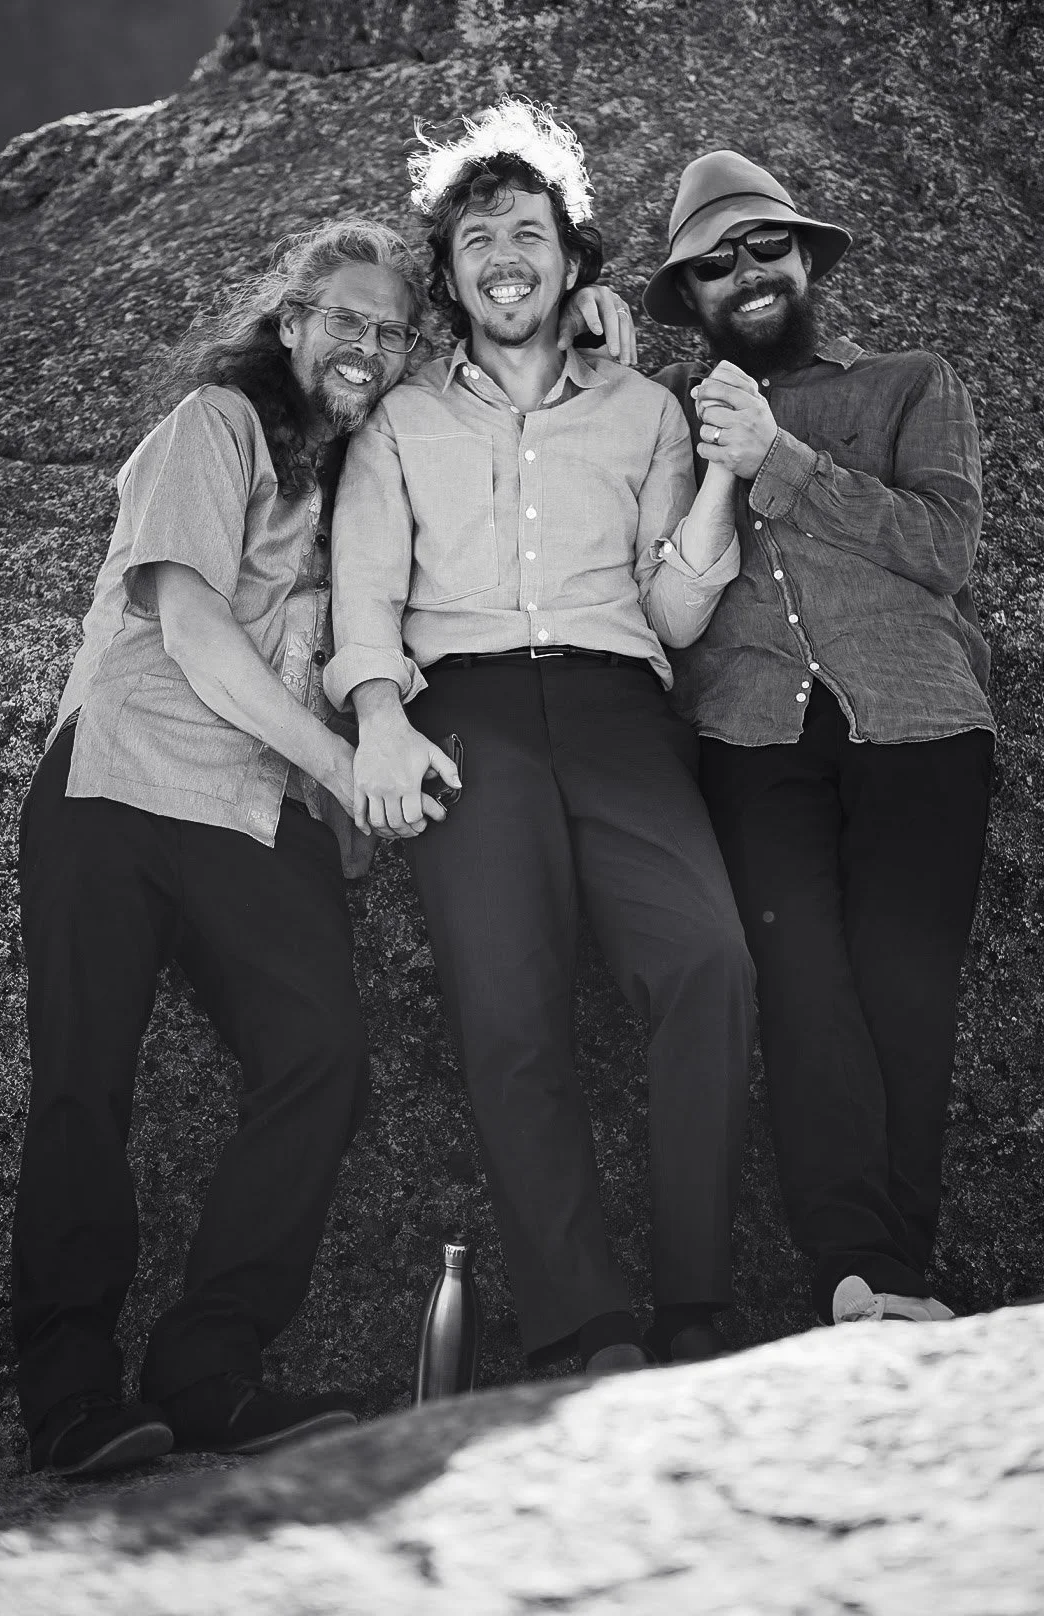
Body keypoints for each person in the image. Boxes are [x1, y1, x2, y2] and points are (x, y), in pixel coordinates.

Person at [13, 213, 639, 1479]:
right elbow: (187, 622)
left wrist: (587, 327)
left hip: (256, 813)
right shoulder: (214, 427)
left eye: (388, 328)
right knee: (86, 1082)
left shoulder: (360, 473)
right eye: (340, 317)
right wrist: (343, 765)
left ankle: (207, 1363)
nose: (365, 343)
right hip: (122, 788)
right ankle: (68, 1394)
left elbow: (498, 369)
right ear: (289, 323)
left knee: (322, 1058)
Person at [326, 100, 756, 1377]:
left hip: (623, 708)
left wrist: (725, 480)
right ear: (451, 275)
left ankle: (696, 1305)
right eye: (476, 238)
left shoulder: (644, 413)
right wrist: (378, 719)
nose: (504, 253)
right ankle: (587, 1322)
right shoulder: (401, 418)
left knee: (709, 966)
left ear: (573, 259)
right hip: (465, 713)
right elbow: (365, 587)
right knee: (508, 1011)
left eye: (528, 230)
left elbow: (676, 607)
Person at [642, 150, 995, 1327]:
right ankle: (853, 1272)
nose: (746, 272)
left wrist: (782, 462)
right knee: (799, 989)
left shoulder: (912, 381)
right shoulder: (665, 427)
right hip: (753, 733)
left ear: (806, 260)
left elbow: (946, 547)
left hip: (918, 717)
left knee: (906, 992)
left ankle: (905, 1271)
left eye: (766, 248)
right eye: (713, 264)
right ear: (687, 296)